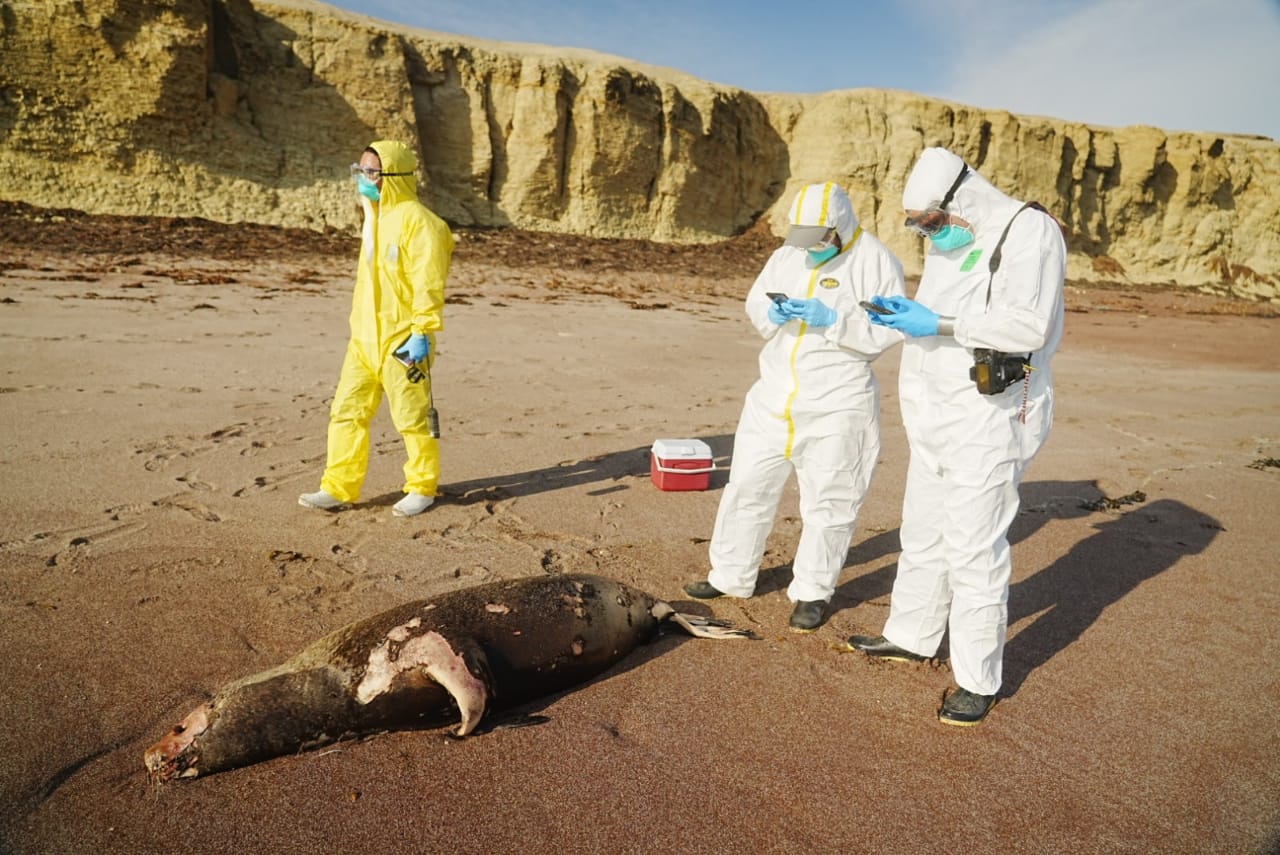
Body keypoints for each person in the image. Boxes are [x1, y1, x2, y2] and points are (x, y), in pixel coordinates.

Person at [849, 147, 1066, 725]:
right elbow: (941, 320)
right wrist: (908, 313)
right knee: (921, 533)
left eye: (932, 222)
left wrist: (938, 324)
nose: (928, 234)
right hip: (936, 418)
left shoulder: (1030, 231)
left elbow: (1028, 324)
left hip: (991, 418)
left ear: (961, 199)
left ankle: (977, 678)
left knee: (973, 548)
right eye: (917, 226)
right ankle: (912, 634)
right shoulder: (955, 240)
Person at [683, 182, 905, 632]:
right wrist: (773, 314)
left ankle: (812, 591)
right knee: (747, 487)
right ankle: (731, 575)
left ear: (840, 228)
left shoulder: (876, 261)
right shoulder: (787, 254)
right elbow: (756, 301)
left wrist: (834, 319)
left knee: (830, 502)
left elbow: (888, 329)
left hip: (838, 405)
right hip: (772, 397)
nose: (812, 249)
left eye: (820, 239)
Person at [299, 140, 453, 517]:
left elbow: (427, 282)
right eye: (361, 170)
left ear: (393, 178)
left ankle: (422, 486)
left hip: (403, 339)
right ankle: (337, 487)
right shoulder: (374, 216)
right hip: (363, 341)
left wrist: (422, 330)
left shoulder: (422, 223)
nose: (363, 179)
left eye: (370, 173)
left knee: (413, 418)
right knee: (346, 412)